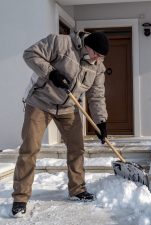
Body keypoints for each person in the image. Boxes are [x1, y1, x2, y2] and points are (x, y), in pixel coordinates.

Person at [11, 31, 109, 217]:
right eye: (96, 53)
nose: (98, 59)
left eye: (101, 56)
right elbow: (30, 54)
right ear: (87, 45)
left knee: (76, 148)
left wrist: (101, 121)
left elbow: (96, 95)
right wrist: (51, 73)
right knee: (30, 148)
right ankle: (20, 197)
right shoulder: (60, 43)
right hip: (40, 102)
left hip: (68, 108)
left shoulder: (98, 67)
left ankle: (77, 189)